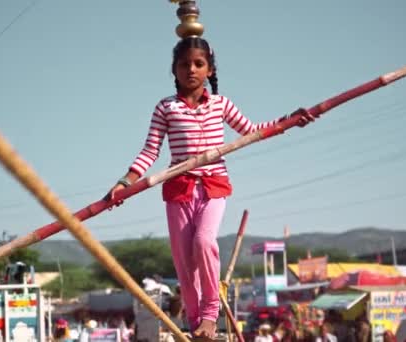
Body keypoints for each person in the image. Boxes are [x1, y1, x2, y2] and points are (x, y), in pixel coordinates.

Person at [105, 36, 315, 340]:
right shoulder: (166, 108)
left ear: (210, 70)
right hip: (179, 190)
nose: (191, 69)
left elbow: (252, 131)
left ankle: (209, 314)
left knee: (204, 242)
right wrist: (125, 182)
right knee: (183, 260)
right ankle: (195, 322)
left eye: (198, 64)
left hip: (213, 187)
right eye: (184, 64)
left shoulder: (220, 104)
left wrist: (288, 121)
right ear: (174, 70)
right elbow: (150, 151)